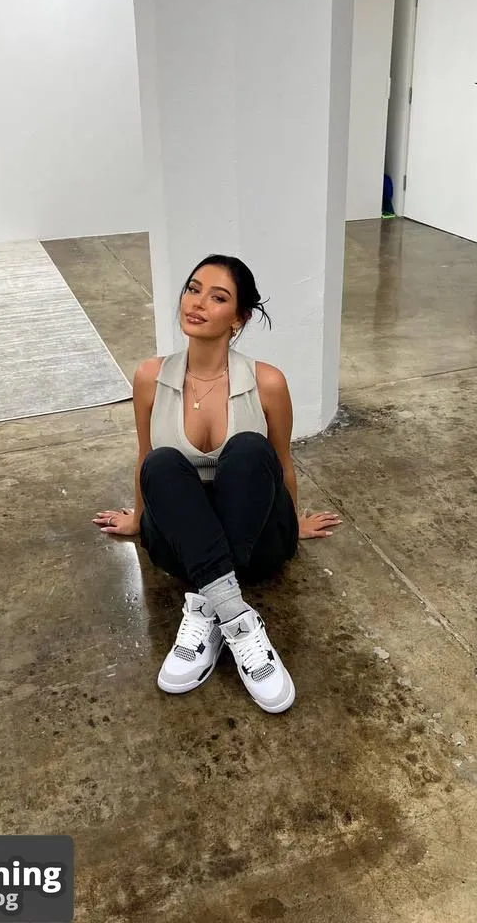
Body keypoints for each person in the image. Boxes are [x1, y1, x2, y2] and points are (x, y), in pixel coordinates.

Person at [92, 255, 341, 714]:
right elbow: (145, 457)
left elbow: (281, 463)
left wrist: (291, 523)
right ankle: (236, 618)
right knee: (162, 462)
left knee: (249, 449)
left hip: (255, 542)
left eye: (217, 297)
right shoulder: (150, 377)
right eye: (193, 289)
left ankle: (208, 606)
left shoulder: (267, 382)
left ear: (239, 318)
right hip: (180, 543)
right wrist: (139, 518)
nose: (197, 302)